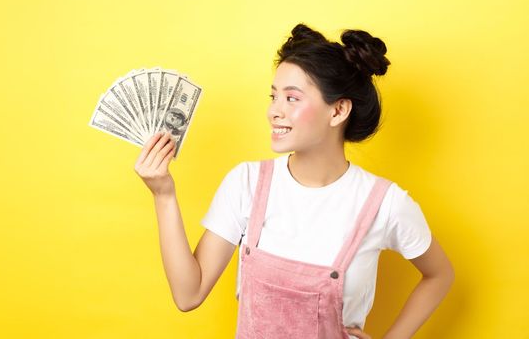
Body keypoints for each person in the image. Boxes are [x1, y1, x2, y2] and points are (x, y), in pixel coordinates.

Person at [133, 23, 454, 338]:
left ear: (338, 110)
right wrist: (164, 195)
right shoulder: (246, 183)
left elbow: (439, 275)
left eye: (292, 98)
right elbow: (189, 295)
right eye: (273, 96)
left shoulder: (385, 203)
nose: (274, 111)